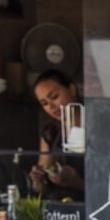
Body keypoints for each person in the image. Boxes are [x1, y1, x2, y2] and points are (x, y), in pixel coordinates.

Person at [29, 69, 85, 201]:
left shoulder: (96, 125)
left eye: (54, 97)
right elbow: (42, 190)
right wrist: (38, 181)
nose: (51, 106)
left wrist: (78, 183)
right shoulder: (50, 133)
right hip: (60, 211)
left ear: (72, 90)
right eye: (44, 103)